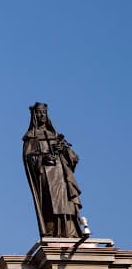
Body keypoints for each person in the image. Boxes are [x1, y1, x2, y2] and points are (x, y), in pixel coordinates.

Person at [22, 102, 86, 239]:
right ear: (34, 115)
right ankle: (53, 231)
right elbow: (29, 159)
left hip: (61, 173)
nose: (42, 115)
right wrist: (43, 159)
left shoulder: (55, 135)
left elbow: (74, 157)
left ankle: (70, 231)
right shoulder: (31, 137)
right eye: (39, 112)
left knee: (67, 202)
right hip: (46, 174)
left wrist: (62, 149)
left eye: (44, 112)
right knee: (50, 203)